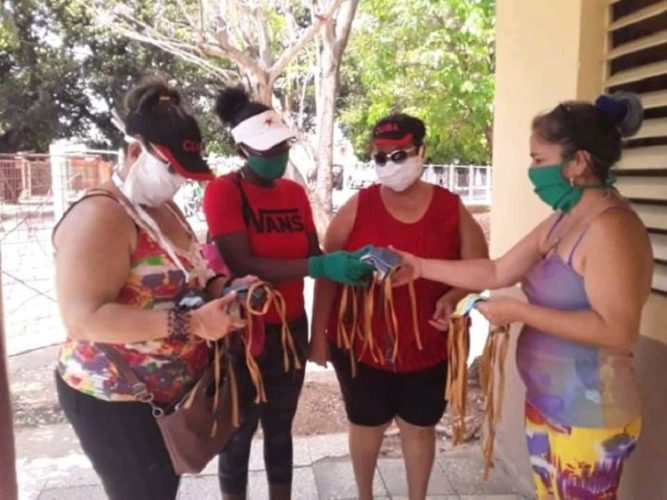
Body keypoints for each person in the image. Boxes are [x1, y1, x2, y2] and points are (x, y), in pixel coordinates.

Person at [394, 93, 651, 499]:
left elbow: (618, 331)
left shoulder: (611, 229)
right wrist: (420, 266)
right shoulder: (564, 218)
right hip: (550, 403)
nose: (532, 171)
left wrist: (520, 312)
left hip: (588, 414)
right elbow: (497, 270)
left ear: (578, 162)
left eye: (539, 159)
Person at [53, 77, 246, 500]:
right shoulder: (102, 215)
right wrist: (193, 324)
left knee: (160, 489)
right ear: (136, 151)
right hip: (115, 398)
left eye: (185, 173)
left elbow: (193, 276)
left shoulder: (163, 209)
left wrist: (228, 288)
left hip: (169, 393)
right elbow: (83, 318)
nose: (178, 182)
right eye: (172, 169)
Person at [203, 86, 372, 500]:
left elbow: (311, 255)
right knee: (237, 436)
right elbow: (242, 263)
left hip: (290, 331)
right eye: (268, 149)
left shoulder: (294, 194)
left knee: (280, 431)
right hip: (243, 334)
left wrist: (347, 260)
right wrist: (317, 267)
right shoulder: (223, 192)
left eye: (282, 146)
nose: (278, 155)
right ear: (243, 149)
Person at [310, 113, 488, 500]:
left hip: (428, 345)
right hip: (361, 346)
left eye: (399, 155)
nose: (388, 164)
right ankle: (365, 495)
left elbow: (480, 270)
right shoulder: (359, 206)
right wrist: (317, 337)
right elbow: (326, 269)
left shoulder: (450, 208)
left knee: (419, 428)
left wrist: (452, 297)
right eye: (380, 156)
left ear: (422, 151)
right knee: (366, 425)